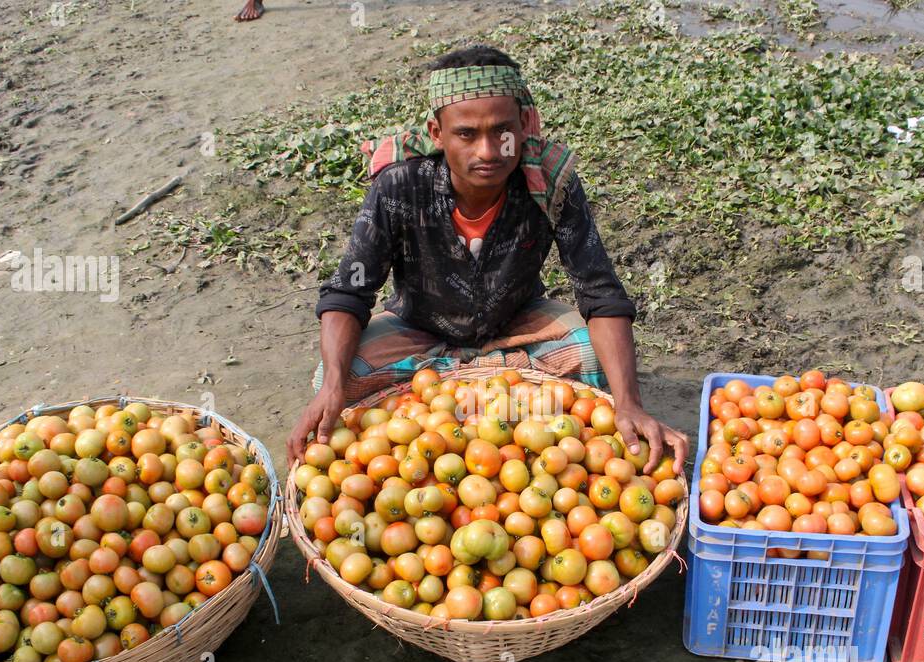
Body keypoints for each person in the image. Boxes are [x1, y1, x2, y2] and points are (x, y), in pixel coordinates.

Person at [287, 45, 689, 476]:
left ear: (524, 125)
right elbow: (349, 292)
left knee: (592, 354)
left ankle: (447, 393)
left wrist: (629, 403)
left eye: (502, 131)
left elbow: (600, 293)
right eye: (466, 134)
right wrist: (332, 389)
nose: (488, 151)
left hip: (516, 323)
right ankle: (497, 391)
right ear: (437, 133)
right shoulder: (400, 187)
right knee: (333, 379)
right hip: (417, 327)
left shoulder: (551, 184)